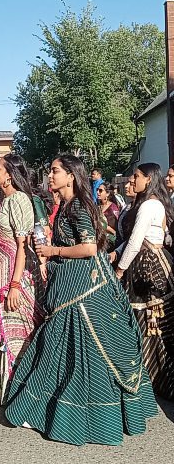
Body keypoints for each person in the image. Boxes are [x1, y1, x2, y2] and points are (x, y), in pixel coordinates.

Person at [5, 154, 157, 446]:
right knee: (60, 346)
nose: (50, 176)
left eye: (55, 171)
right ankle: (43, 410)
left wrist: (53, 251)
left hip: (86, 289)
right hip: (72, 284)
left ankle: (92, 420)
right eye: (50, 171)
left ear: (71, 176)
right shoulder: (65, 205)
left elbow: (88, 248)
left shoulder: (77, 207)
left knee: (86, 351)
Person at [0, 154, 45, 408]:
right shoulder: (6, 200)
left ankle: (17, 391)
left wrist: (14, 286)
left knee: (15, 333)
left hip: (13, 278)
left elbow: (23, 247)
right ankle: (0, 388)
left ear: (10, 175)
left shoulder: (20, 200)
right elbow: (7, 236)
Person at [116, 163, 174, 399]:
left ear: (149, 179)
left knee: (151, 324)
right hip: (149, 263)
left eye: (137, 177)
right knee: (153, 327)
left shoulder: (150, 204)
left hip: (148, 268)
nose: (133, 180)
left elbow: (136, 241)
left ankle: (157, 381)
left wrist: (120, 269)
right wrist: (115, 254)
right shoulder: (148, 204)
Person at [97, 181, 119, 251]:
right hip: (99, 241)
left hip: (110, 243)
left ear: (107, 193)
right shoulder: (97, 207)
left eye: (100, 190)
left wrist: (106, 227)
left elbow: (117, 228)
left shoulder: (113, 207)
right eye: (97, 190)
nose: (97, 192)